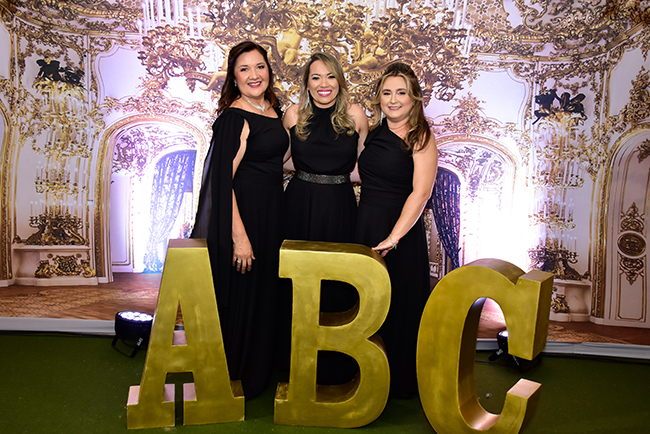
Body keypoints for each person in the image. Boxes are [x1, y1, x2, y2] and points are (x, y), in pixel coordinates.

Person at [191, 41, 289, 399]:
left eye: (259, 67)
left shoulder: (272, 111)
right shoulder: (235, 117)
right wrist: (240, 237)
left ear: (269, 71)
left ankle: (259, 369)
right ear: (234, 77)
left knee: (264, 292)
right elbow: (222, 182)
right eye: (244, 69)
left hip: (271, 213)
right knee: (245, 293)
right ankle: (235, 376)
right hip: (245, 213)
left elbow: (278, 161)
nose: (254, 75)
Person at [280, 52, 368, 384]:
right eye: (315, 77)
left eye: (330, 76)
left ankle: (334, 366)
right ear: (306, 83)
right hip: (299, 205)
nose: (323, 84)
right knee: (295, 280)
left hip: (340, 206)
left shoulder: (355, 115)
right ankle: (293, 363)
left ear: (340, 81)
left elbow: (365, 166)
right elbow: (281, 160)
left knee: (337, 280)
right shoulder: (294, 114)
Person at [356, 62, 438, 398]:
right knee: (365, 302)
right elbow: (359, 174)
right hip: (366, 224)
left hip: (400, 233)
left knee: (396, 303)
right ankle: (364, 376)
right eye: (386, 93)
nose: (392, 99)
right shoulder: (374, 133)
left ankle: (396, 381)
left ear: (413, 98)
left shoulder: (421, 137)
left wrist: (394, 237)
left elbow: (421, 193)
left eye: (400, 92)